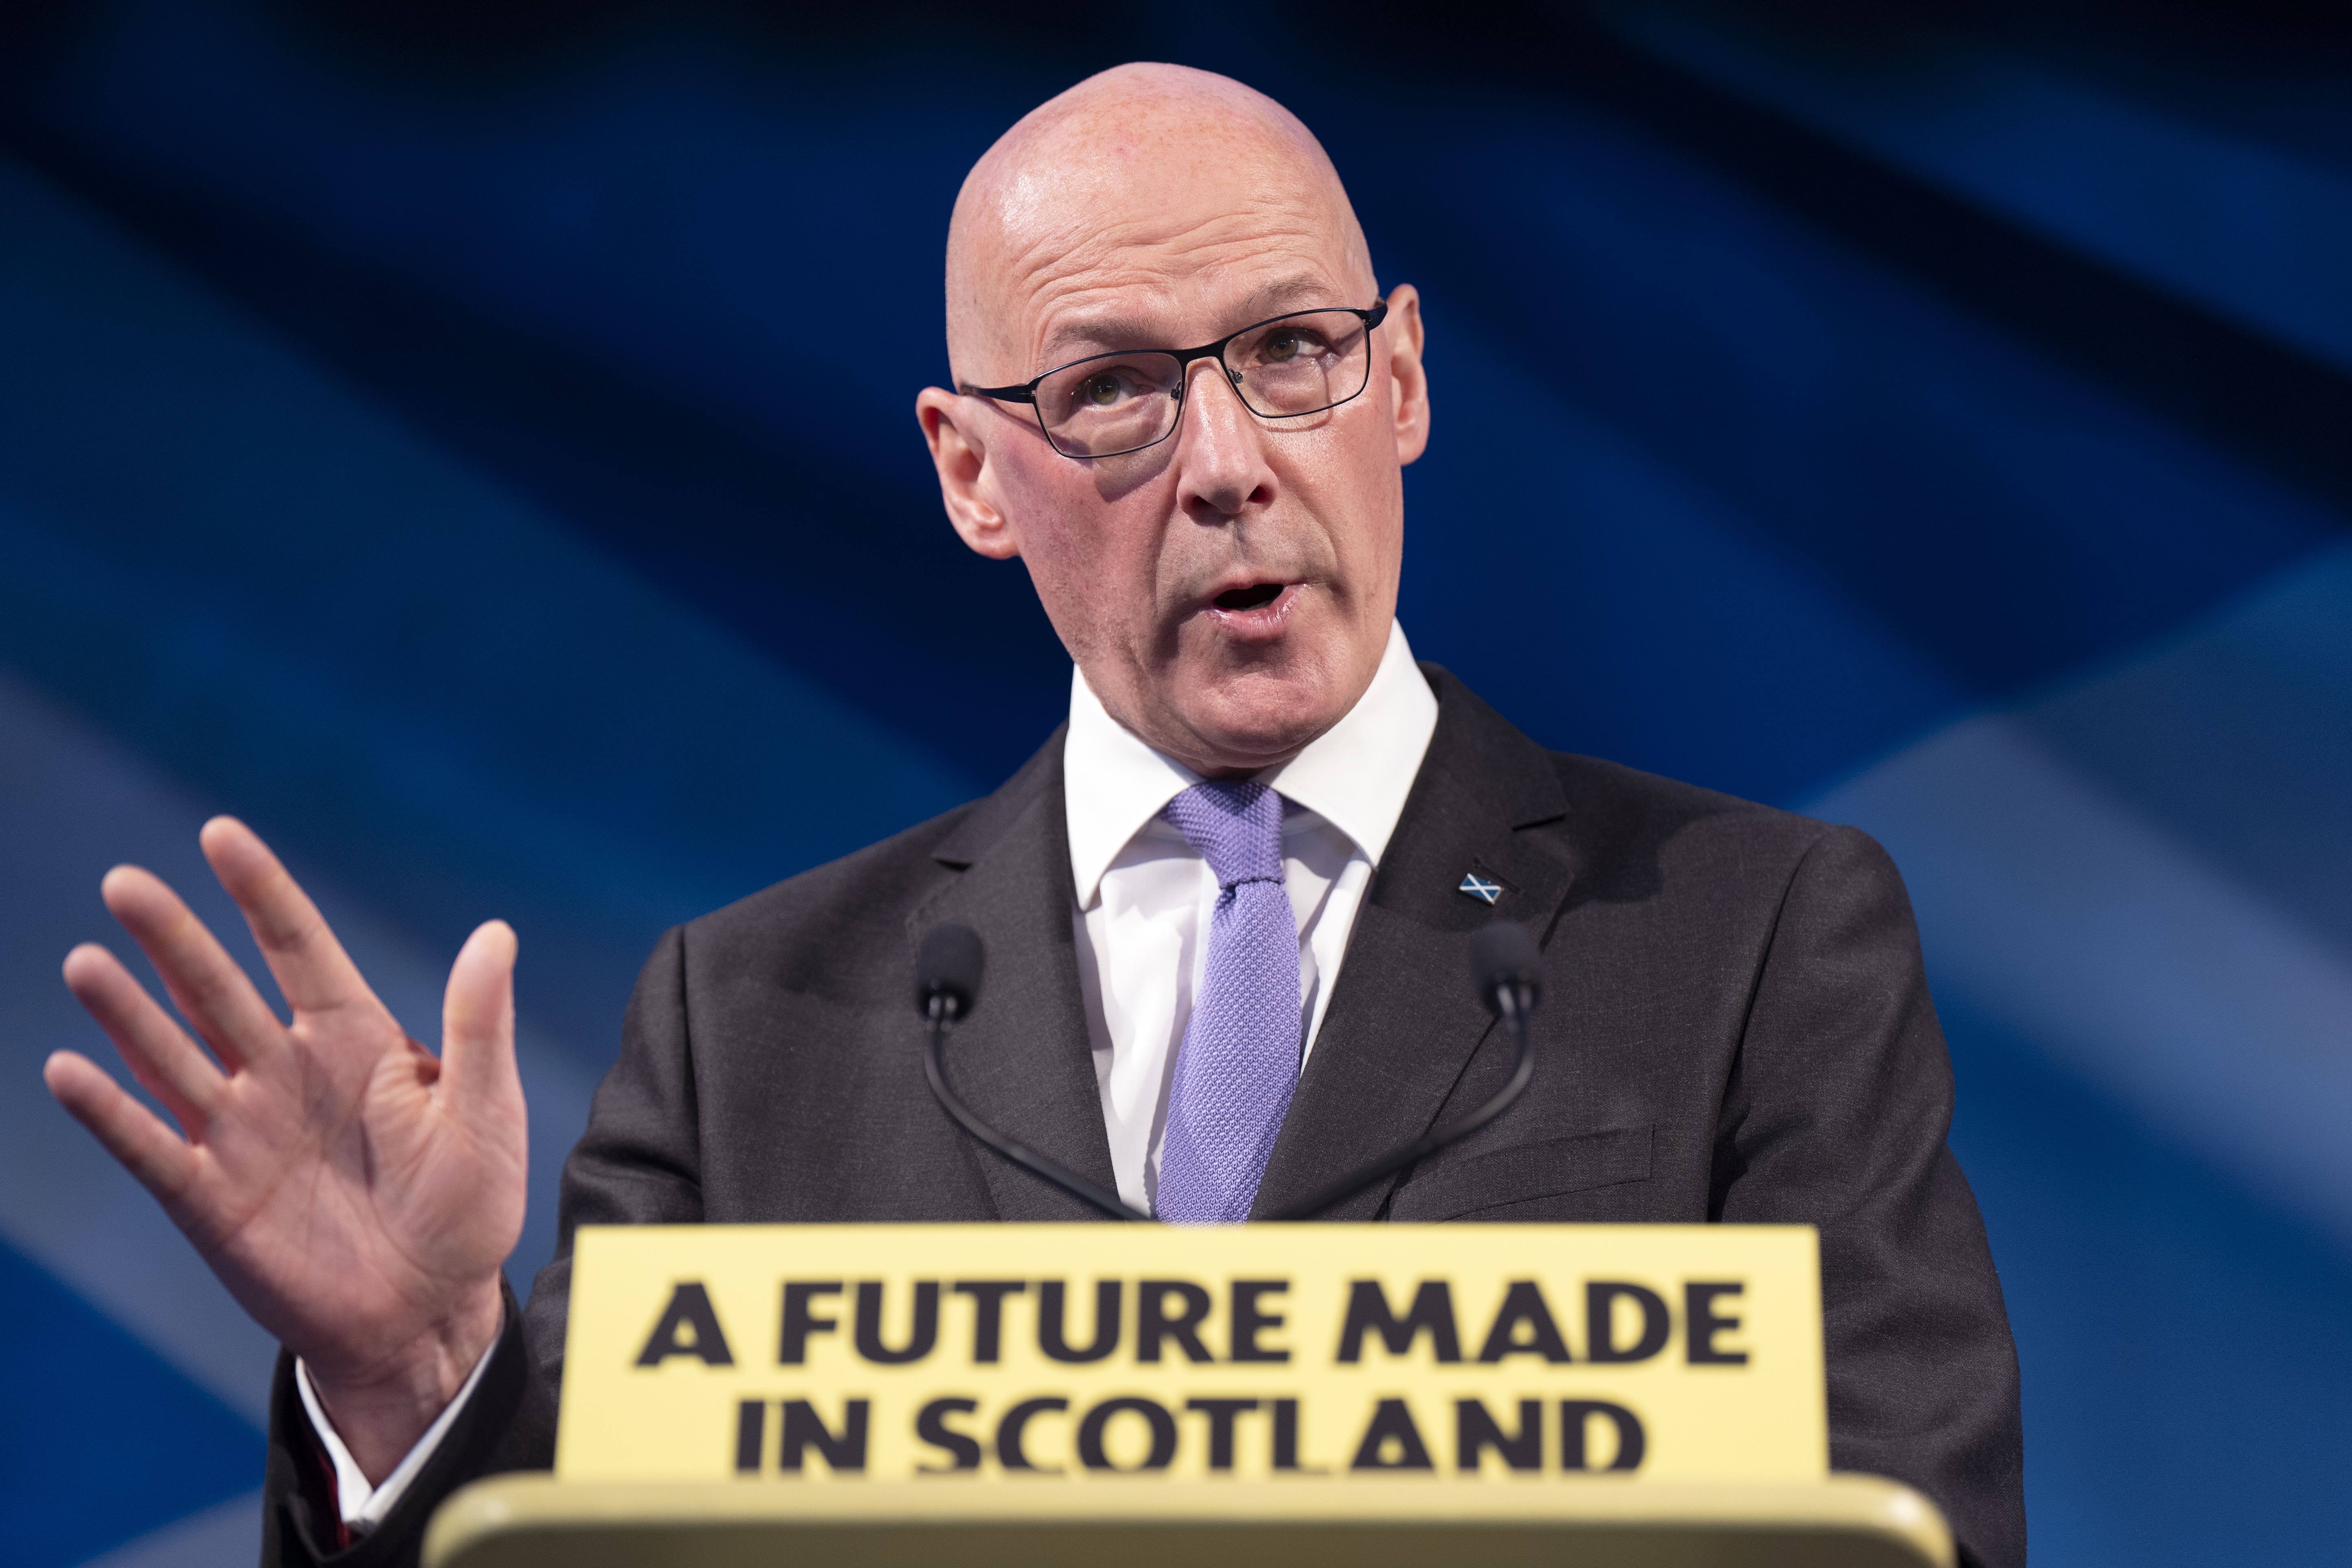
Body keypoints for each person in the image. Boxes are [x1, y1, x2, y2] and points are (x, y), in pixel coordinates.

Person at [41, 62, 2024, 1568]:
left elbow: (1905, 1514)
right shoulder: (750, 1025)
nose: (1235, 465)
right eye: (1115, 394)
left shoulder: (1756, 935)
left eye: (1294, 355)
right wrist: (413, 1375)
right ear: (973, 473)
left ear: (1404, 377)